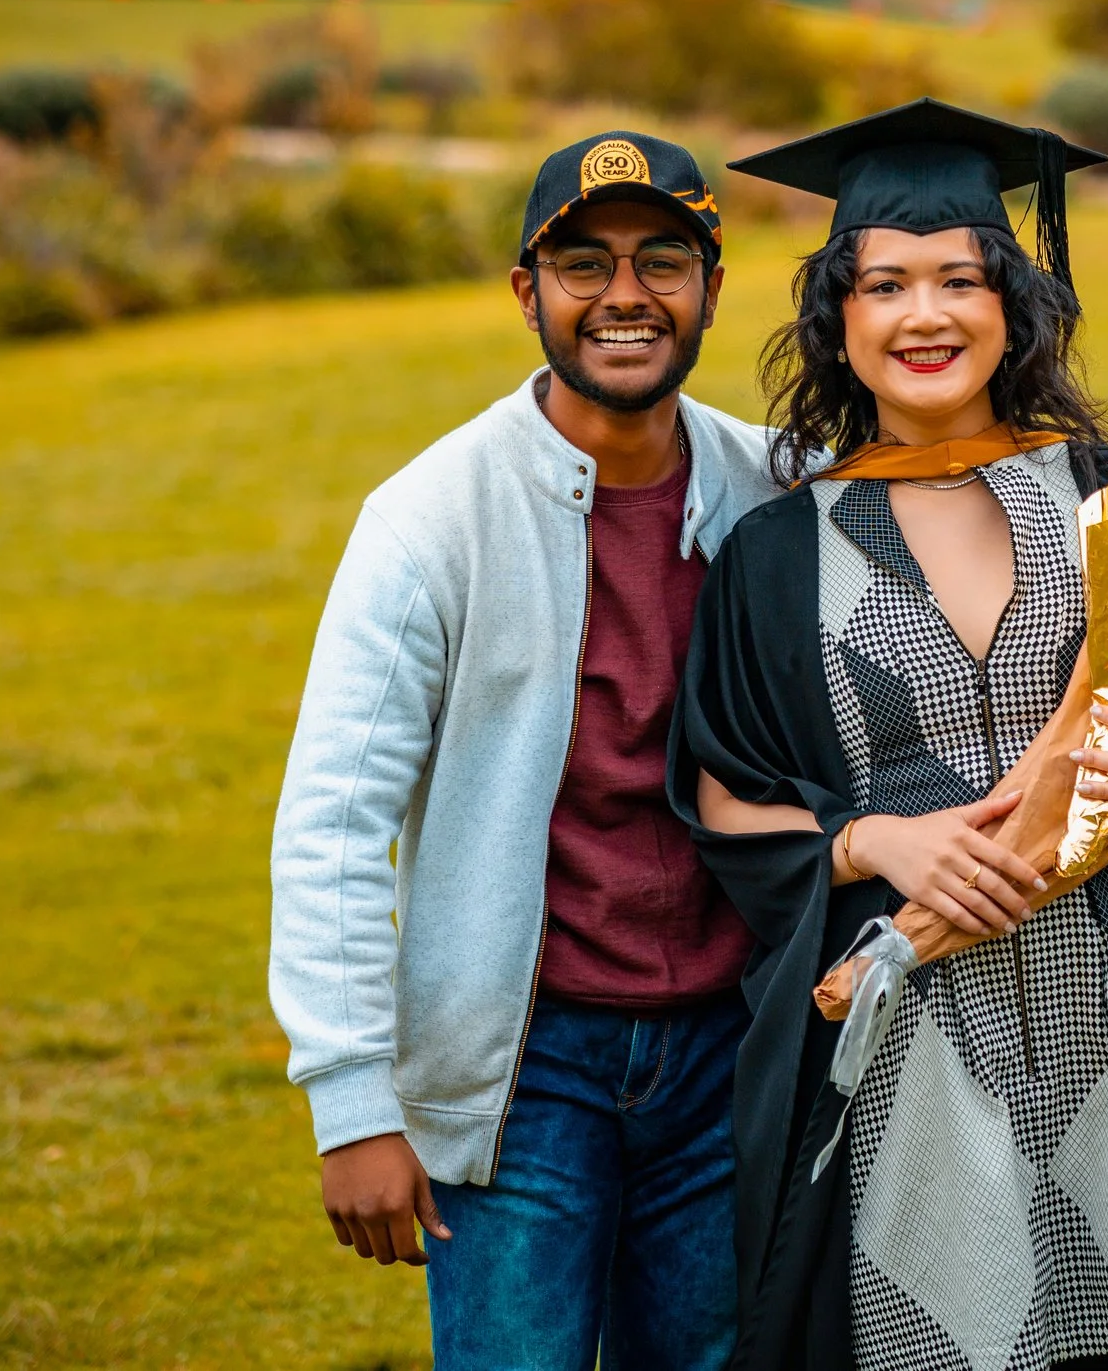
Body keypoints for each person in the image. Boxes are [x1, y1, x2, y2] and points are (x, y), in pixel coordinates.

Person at [668, 99, 1108, 1371]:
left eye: (961, 277)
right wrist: (874, 839)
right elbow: (725, 790)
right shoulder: (774, 554)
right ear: (838, 317)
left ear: (1015, 304)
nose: (924, 315)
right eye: (884, 284)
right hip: (922, 1042)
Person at [268, 131, 779, 1371]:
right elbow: (336, 816)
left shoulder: (771, 490)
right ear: (525, 290)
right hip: (521, 1064)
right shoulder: (429, 518)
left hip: (731, 1054)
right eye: (581, 262)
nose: (623, 295)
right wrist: (352, 1102)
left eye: (663, 259)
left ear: (712, 285)